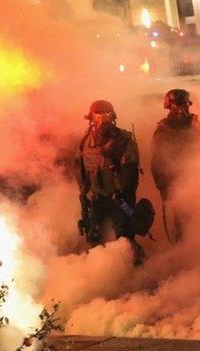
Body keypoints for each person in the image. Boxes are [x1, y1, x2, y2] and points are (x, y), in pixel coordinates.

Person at [77, 100, 146, 265]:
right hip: (97, 198)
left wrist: (124, 197)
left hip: (119, 199)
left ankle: (137, 273)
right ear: (91, 118)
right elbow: (83, 170)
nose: (101, 120)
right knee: (94, 238)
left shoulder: (123, 140)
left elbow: (131, 171)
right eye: (97, 116)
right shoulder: (86, 141)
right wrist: (84, 191)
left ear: (112, 117)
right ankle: (102, 275)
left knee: (125, 240)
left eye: (105, 116)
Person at [151, 89, 200, 243]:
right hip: (175, 179)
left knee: (199, 215)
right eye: (177, 107)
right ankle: (185, 248)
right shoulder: (163, 128)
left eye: (185, 106)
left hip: (196, 177)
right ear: (169, 107)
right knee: (181, 218)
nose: (182, 111)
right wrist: (162, 185)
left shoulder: (195, 123)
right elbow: (157, 160)